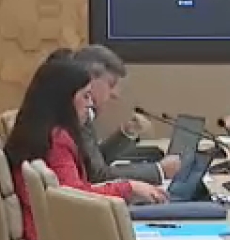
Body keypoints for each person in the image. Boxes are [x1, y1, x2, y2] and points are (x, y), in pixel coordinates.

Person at [4, 55, 168, 240]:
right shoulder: (56, 141)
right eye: (85, 96)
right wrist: (129, 187)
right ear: (64, 99)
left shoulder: (36, 132)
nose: (90, 104)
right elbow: (75, 198)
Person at [71, 44, 174, 185]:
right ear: (89, 79)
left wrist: (126, 132)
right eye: (111, 84)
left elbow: (94, 161)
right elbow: (97, 175)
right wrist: (159, 170)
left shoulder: (83, 114)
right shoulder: (74, 116)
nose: (115, 94)